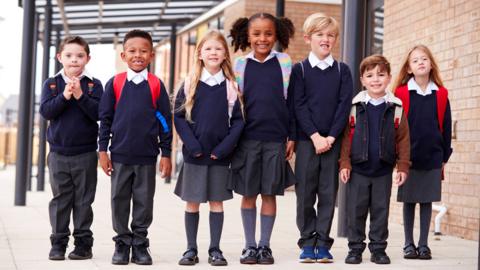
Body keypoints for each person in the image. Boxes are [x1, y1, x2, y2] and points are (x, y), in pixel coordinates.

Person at [98, 29, 172, 265]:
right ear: (123, 55)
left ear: (151, 55)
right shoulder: (116, 83)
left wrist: (166, 153)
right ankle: (122, 242)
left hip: (147, 157)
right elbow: (105, 119)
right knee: (119, 199)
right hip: (119, 156)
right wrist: (102, 151)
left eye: (143, 51)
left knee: (143, 201)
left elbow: (164, 120)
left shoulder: (156, 85)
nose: (137, 55)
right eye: (132, 51)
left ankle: (140, 243)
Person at [228, 12, 296, 265]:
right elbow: (235, 104)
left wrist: (292, 136)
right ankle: (249, 246)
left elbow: (290, 102)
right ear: (247, 35)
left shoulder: (284, 62)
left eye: (268, 33)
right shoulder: (240, 65)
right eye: (256, 34)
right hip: (247, 140)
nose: (262, 38)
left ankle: (265, 246)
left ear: (276, 34)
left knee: (269, 194)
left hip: (276, 139)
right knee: (248, 194)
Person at [173, 30, 245, 266]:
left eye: (218, 48)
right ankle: (190, 249)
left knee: (216, 202)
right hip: (195, 154)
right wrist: (192, 145)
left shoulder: (231, 86)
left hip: (219, 156)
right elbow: (179, 118)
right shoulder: (189, 83)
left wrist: (224, 148)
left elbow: (238, 122)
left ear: (225, 54)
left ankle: (215, 249)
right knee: (192, 202)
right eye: (208, 49)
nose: (213, 52)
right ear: (200, 54)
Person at [292, 12, 353, 263]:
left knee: (328, 194)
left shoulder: (342, 71)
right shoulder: (300, 70)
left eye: (330, 35)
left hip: (332, 142)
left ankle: (323, 244)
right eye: (319, 35)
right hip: (307, 142)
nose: (325, 39)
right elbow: (298, 104)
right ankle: (307, 242)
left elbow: (343, 106)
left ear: (336, 39)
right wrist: (315, 136)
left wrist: (329, 137)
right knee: (305, 193)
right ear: (308, 38)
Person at [339, 54, 410, 265]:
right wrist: (345, 163)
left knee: (380, 212)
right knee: (356, 212)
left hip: (383, 171)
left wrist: (403, 166)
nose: (376, 79)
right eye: (370, 75)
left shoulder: (396, 107)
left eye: (381, 74)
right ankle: (355, 249)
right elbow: (346, 138)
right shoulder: (355, 106)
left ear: (389, 78)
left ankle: (378, 249)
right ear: (362, 80)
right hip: (358, 171)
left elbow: (404, 138)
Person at [39, 36, 103, 261]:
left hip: (85, 153)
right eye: (68, 56)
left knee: (84, 200)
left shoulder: (94, 84)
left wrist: (80, 96)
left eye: (79, 56)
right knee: (60, 199)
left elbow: (99, 114)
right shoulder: (52, 84)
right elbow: (46, 111)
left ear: (87, 58)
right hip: (58, 154)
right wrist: (66, 96)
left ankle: (83, 244)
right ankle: (58, 243)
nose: (74, 60)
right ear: (60, 58)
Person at [393, 44, 452, 260]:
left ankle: (424, 244)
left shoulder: (442, 94)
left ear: (431, 64)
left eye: (424, 59)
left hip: (433, 156)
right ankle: (408, 244)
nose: (420, 62)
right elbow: (394, 127)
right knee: (409, 201)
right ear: (409, 68)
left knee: (427, 201)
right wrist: (398, 158)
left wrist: (444, 157)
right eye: (415, 60)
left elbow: (446, 126)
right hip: (408, 158)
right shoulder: (401, 93)